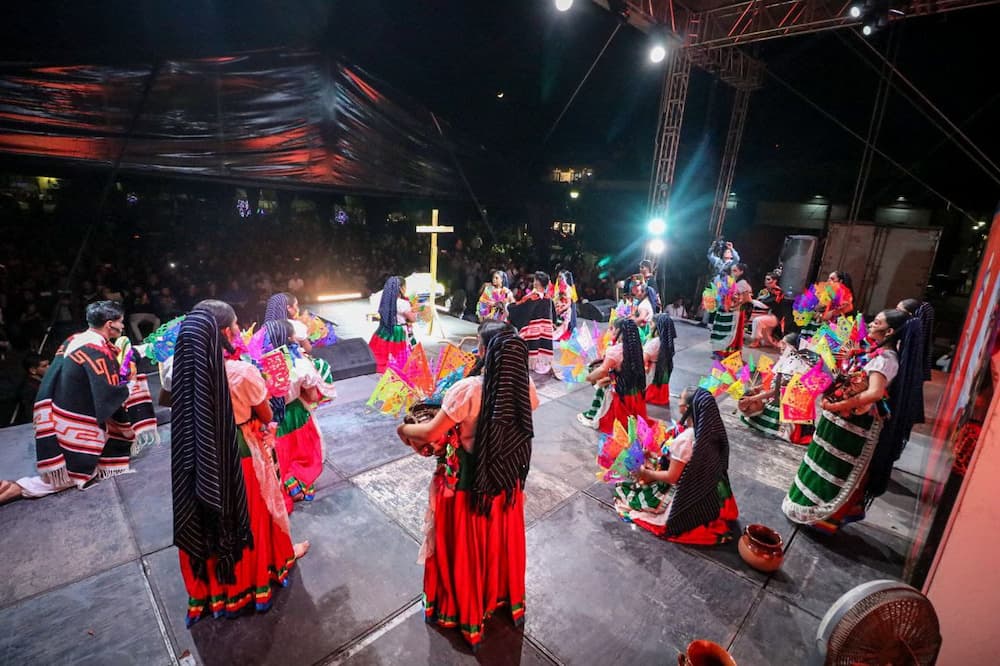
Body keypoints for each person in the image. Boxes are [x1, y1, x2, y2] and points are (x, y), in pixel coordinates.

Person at [396, 320, 538, 649]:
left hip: (469, 486)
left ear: (487, 350)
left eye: (480, 344)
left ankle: (467, 610)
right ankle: (499, 599)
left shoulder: (470, 390)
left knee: (465, 547)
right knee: (497, 543)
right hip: (505, 481)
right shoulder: (522, 386)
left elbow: (432, 432)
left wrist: (403, 431)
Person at [171, 301, 309, 626]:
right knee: (251, 514)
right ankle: (263, 570)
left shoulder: (181, 371)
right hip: (237, 451)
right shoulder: (240, 372)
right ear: (222, 332)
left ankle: (216, 588)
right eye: (233, 325)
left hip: (194, 457)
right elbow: (264, 413)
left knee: (208, 517)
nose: (237, 331)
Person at [782, 307, 929, 532]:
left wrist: (839, 404)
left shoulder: (886, 359)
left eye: (877, 322)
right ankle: (804, 507)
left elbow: (874, 393)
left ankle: (819, 518)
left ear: (889, 331)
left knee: (835, 468)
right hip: (842, 420)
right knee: (822, 459)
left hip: (855, 425)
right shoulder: (873, 351)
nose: (871, 325)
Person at [0, 301, 158, 504]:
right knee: (76, 472)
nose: (123, 326)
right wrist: (132, 383)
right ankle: (17, 488)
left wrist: (145, 349)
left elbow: (117, 356)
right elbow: (109, 394)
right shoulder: (96, 350)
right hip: (72, 416)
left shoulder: (76, 339)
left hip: (55, 408)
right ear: (109, 324)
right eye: (120, 322)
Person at [616, 387, 739, 544]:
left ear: (686, 408)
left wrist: (646, 474)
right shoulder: (708, 434)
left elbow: (672, 477)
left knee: (630, 494)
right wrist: (656, 455)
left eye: (680, 399)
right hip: (706, 491)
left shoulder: (685, 439)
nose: (678, 402)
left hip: (685, 494)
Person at [261, 319, 334, 512]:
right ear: (289, 338)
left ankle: (285, 484)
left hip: (269, 419)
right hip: (295, 413)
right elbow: (310, 395)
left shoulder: (255, 366)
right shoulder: (300, 365)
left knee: (280, 455)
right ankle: (299, 483)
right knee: (303, 451)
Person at [740, 333, 816, 445]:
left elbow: (778, 390)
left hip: (788, 404)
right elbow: (774, 382)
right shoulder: (786, 359)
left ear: (794, 347)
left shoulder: (797, 366)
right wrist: (759, 387)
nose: (780, 345)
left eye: (784, 344)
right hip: (776, 399)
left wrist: (754, 398)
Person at [577, 318, 648, 434]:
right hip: (635, 393)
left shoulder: (615, 351)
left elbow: (603, 370)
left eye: (612, 329)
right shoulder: (636, 348)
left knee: (617, 429)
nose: (611, 331)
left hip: (620, 395)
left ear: (619, 331)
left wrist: (588, 377)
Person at [508, 272, 556, 375]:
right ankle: (541, 365)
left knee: (528, 343)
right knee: (542, 346)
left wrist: (509, 306)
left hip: (533, 329)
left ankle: (530, 364)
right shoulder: (548, 298)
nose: (534, 282)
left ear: (537, 283)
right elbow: (553, 315)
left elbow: (520, 308)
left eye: (535, 280)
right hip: (545, 329)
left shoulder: (532, 297)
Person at [368, 276, 416, 373]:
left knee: (383, 353)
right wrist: (415, 309)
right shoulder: (402, 303)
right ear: (401, 288)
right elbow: (413, 318)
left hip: (385, 328)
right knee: (400, 355)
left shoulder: (384, 300)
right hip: (399, 331)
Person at [709, 263, 751, 357]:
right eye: (732, 270)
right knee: (720, 329)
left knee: (730, 332)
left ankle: (727, 353)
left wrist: (735, 305)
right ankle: (718, 350)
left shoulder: (742, 283)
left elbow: (746, 299)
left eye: (735, 270)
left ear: (741, 272)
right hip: (724, 309)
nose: (732, 272)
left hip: (734, 312)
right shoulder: (730, 281)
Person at [644, 313, 676, 406]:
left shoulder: (653, 343)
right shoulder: (666, 342)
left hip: (652, 376)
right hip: (662, 376)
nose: (649, 326)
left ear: (658, 326)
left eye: (651, 324)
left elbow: (641, 361)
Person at [749, 272, 784, 348]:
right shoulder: (766, 291)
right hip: (767, 314)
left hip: (775, 317)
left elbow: (766, 305)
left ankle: (756, 341)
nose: (766, 281)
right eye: (765, 279)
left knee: (757, 320)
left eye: (768, 279)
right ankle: (768, 341)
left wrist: (750, 300)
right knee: (766, 342)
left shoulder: (778, 292)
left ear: (775, 281)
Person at [15, 352, 49, 425]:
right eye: (44, 366)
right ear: (33, 370)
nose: (49, 367)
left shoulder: (42, 382)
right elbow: (30, 412)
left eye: (48, 364)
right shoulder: (29, 388)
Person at [552, 270, 578, 341]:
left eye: (560, 276)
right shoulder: (557, 288)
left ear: (565, 278)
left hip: (565, 311)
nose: (559, 278)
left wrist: (561, 309)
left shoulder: (568, 289)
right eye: (558, 276)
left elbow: (569, 303)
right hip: (558, 310)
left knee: (560, 332)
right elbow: (555, 300)